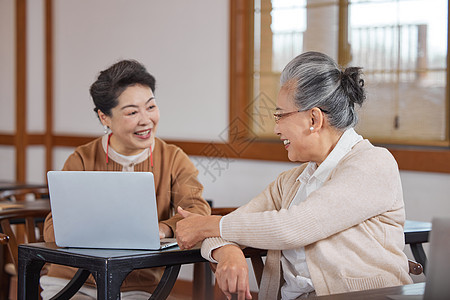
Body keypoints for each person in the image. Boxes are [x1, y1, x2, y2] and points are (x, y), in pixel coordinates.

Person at [175, 51, 413, 300]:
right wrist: (227, 251)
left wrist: (210, 225)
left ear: (314, 118)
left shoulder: (373, 163)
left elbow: (294, 227)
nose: (276, 128)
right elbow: (228, 229)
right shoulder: (290, 182)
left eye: (280, 116)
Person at [40, 59, 211, 300]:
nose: (145, 120)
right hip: (72, 280)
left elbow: (197, 210)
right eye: (132, 112)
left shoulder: (173, 158)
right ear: (104, 118)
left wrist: (164, 228)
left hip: (139, 285)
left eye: (150, 107)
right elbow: (53, 229)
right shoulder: (82, 158)